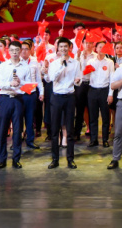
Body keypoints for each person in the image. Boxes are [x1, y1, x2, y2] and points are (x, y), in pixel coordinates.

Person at [44, 37, 80, 169]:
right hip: (57, 97)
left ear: (70, 48)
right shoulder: (54, 63)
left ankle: (70, 159)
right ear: (58, 48)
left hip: (70, 97)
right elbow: (52, 78)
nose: (63, 49)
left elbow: (79, 78)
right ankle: (55, 159)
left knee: (70, 130)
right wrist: (61, 65)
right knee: (55, 130)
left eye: (66, 46)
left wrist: (78, 81)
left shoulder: (76, 63)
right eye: (61, 47)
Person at [0, 41, 31, 169]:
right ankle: (2, 159)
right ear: (8, 51)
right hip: (5, 98)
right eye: (12, 50)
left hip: (18, 99)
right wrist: (10, 84)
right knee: (3, 129)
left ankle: (16, 159)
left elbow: (29, 85)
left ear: (21, 51)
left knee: (17, 130)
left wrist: (21, 83)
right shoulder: (3, 66)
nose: (14, 52)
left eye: (17, 50)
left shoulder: (25, 67)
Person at [85, 40, 114, 148]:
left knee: (105, 117)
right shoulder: (91, 61)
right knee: (93, 116)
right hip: (92, 90)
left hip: (104, 90)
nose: (101, 49)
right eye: (99, 47)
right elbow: (86, 76)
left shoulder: (109, 62)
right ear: (96, 49)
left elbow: (112, 79)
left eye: (103, 47)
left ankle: (105, 139)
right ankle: (93, 139)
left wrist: (110, 94)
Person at [19, 40, 43, 150]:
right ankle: (17, 140)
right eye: (22, 49)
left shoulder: (34, 62)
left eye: (26, 49)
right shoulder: (16, 62)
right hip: (19, 94)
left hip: (31, 94)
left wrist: (41, 92)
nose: (24, 51)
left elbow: (38, 79)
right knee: (18, 118)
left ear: (30, 50)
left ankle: (30, 140)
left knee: (30, 118)